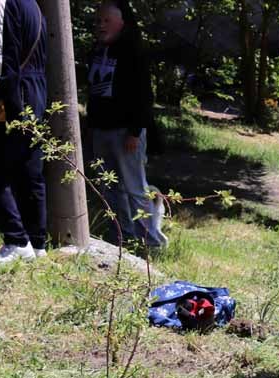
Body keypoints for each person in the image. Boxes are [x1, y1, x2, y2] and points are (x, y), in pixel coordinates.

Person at [0, 0, 48, 263]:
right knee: (29, 173)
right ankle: (37, 244)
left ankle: (16, 241)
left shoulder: (1, 3)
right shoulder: (32, 4)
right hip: (34, 93)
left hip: (11, 98)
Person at [87, 0, 166, 248]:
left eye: (106, 21)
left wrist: (134, 131)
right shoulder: (97, 51)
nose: (101, 25)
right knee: (109, 187)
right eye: (98, 21)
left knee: (134, 188)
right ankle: (123, 236)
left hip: (126, 133)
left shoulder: (133, 52)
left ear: (121, 23)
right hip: (100, 130)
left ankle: (151, 241)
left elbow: (144, 96)